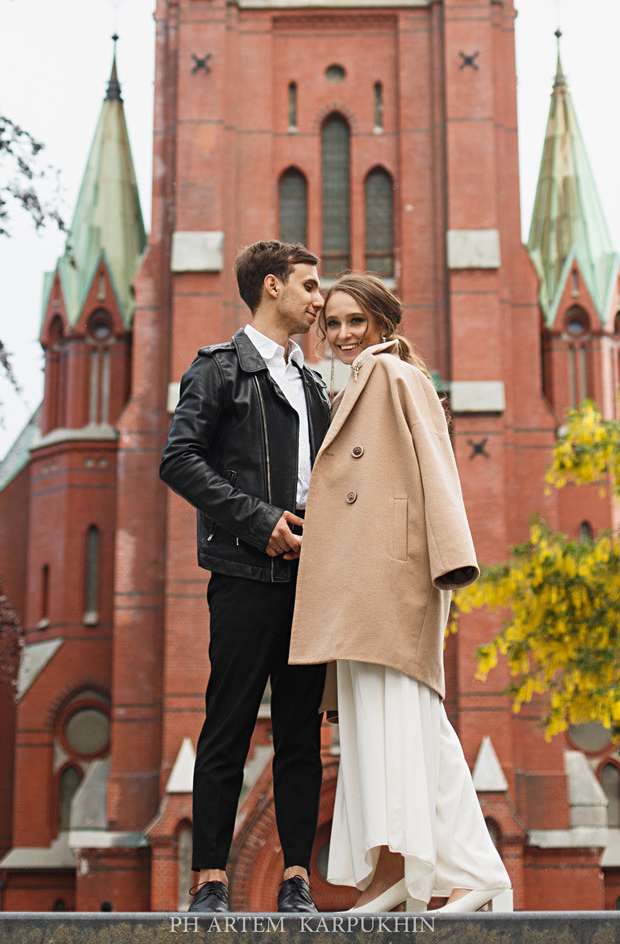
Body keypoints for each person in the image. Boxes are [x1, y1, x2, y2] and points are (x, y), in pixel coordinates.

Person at [290, 272, 512, 914]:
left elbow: (438, 471)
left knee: (412, 723)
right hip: (359, 587)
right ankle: (394, 875)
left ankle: (477, 870)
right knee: (370, 730)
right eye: (331, 324)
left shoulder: (396, 376)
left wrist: (452, 561)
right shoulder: (360, 382)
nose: (341, 334)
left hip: (394, 579)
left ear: (383, 322)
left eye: (355, 321)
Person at [160, 240, 332, 915]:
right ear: (271, 287)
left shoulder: (313, 383)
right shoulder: (218, 371)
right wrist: (261, 522)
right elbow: (179, 459)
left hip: (311, 579)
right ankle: (209, 882)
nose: (320, 300)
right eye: (310, 287)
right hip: (243, 573)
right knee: (227, 728)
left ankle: (296, 881)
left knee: (300, 735)